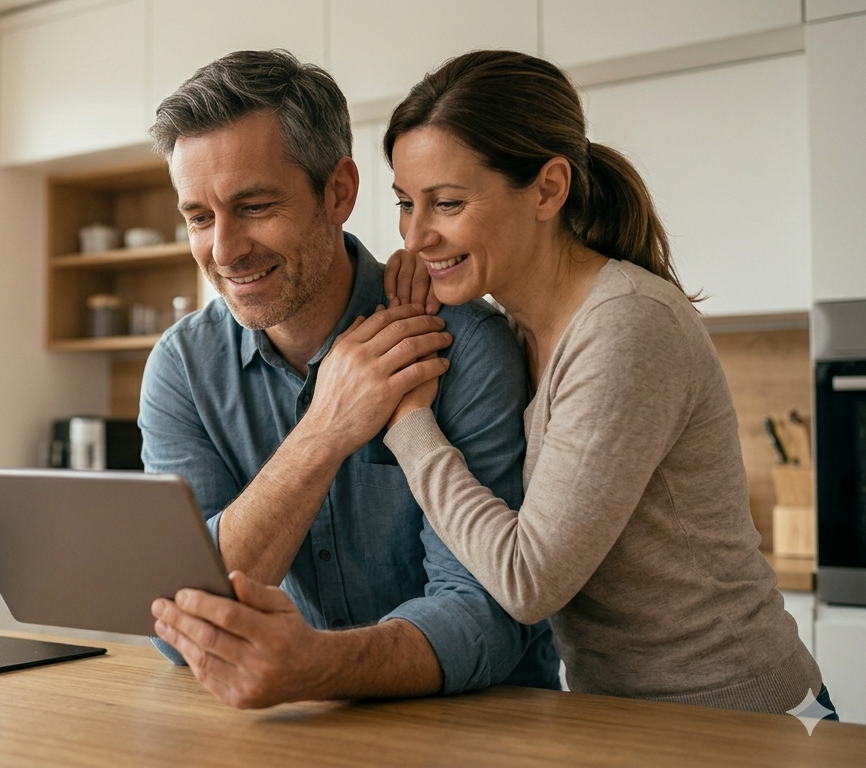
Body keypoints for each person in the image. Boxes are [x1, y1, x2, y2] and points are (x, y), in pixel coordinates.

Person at [374, 49, 833, 717]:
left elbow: (527, 581)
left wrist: (408, 422)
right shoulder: (519, 328)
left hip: (747, 718)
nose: (415, 236)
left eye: (446, 203)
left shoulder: (625, 326)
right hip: (631, 717)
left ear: (548, 189)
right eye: (404, 203)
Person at [140, 49, 558, 709]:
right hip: (300, 725)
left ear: (338, 192)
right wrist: (326, 430)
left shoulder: (464, 344)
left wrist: (313, 668)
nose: (223, 250)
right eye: (198, 217)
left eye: (255, 206)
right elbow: (179, 622)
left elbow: (488, 614)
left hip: (484, 730)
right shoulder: (183, 368)